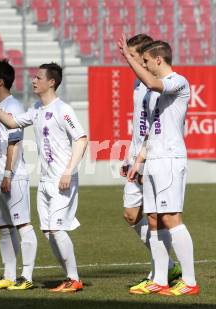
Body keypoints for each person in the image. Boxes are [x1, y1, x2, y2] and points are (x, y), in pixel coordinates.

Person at [0, 62, 88, 293]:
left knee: (57, 229)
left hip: (62, 178)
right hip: (46, 180)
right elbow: (10, 122)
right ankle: (69, 277)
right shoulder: (37, 108)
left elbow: (81, 139)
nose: (33, 81)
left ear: (52, 82)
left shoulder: (63, 109)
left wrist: (68, 171)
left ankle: (74, 278)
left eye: (38, 77)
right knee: (48, 231)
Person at [120, 36, 200, 296]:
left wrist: (130, 58)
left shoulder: (178, 81)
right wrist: (138, 161)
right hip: (153, 159)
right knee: (153, 219)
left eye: (145, 61)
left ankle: (189, 282)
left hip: (170, 159)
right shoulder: (154, 95)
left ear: (158, 60)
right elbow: (152, 129)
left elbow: (152, 81)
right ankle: (162, 280)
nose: (143, 65)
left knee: (170, 217)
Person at [0, 60, 37, 290]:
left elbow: (15, 142)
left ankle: (27, 276)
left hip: (13, 177)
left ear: (0, 81)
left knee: (23, 225)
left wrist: (7, 173)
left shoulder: (14, 107)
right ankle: (9, 275)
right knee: (4, 228)